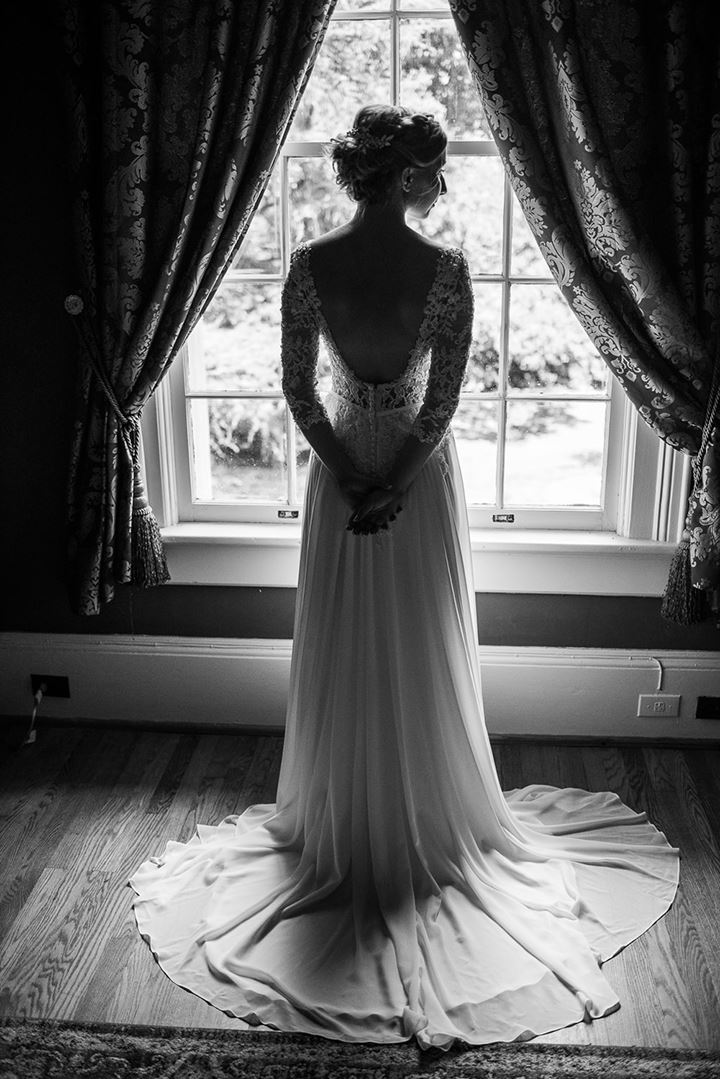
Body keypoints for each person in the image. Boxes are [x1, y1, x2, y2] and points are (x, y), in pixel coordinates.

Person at [130, 105, 679, 1050]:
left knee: (351, 644)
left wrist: (348, 473)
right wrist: (395, 479)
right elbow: (445, 400)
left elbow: (300, 392)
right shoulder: (448, 271)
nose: (445, 183)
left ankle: (352, 817)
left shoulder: (311, 266)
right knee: (419, 641)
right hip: (417, 485)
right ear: (412, 175)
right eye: (440, 168)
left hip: (339, 470)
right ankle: (421, 817)